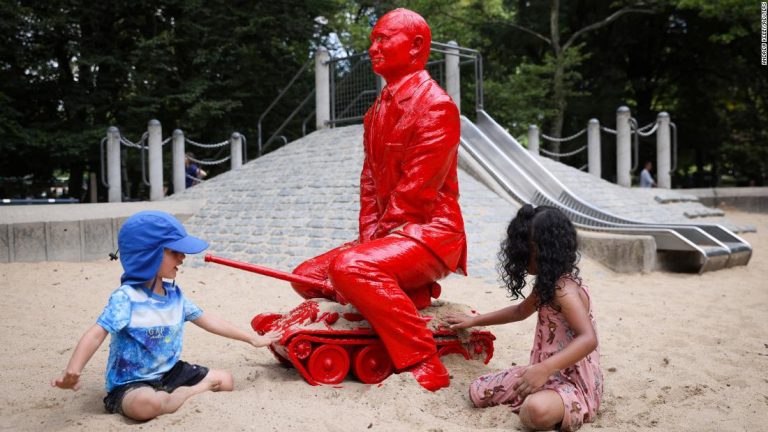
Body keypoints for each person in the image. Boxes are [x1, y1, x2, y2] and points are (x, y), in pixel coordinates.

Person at [290, 8, 465, 392]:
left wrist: (369, 249)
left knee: (351, 268)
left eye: (383, 39)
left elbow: (416, 194)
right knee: (305, 276)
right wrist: (372, 237)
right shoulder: (376, 111)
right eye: (373, 40)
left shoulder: (437, 107)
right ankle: (398, 293)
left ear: (416, 46)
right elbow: (369, 182)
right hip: (390, 235)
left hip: (429, 234)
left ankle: (423, 358)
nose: (373, 48)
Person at [51, 211, 281, 421]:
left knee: (227, 380)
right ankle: (185, 394)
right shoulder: (127, 297)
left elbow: (208, 319)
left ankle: (174, 396)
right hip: (131, 383)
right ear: (148, 254)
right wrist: (73, 370)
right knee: (144, 405)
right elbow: (95, 334)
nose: (182, 257)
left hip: (171, 373)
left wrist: (252, 339)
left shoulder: (175, 296)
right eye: (174, 251)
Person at [446, 205, 602, 431]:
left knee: (534, 412)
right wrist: (475, 321)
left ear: (546, 249)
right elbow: (520, 311)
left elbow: (588, 339)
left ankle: (557, 403)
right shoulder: (546, 284)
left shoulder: (564, 289)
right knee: (478, 391)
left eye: (526, 247)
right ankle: (542, 394)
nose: (519, 254)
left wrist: (545, 369)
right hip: (543, 373)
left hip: (573, 383)